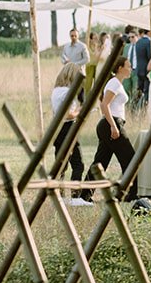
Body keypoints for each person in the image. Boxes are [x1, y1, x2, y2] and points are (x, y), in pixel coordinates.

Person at [90, 55, 138, 203]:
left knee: (100, 162)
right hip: (111, 125)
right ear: (119, 68)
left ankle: (84, 195)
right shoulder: (114, 84)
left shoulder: (117, 83)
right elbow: (104, 105)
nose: (131, 69)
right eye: (128, 66)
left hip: (112, 124)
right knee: (130, 159)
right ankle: (130, 195)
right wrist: (113, 126)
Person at [50, 64, 89, 205]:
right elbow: (68, 115)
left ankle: (58, 195)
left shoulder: (56, 90)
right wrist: (82, 111)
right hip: (68, 127)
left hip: (57, 129)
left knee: (61, 165)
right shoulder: (68, 92)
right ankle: (75, 197)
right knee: (78, 164)